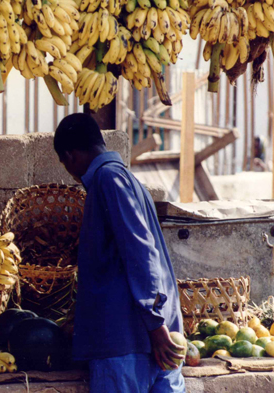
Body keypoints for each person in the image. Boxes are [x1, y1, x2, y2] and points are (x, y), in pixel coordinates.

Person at [53, 113, 185, 392]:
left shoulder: (107, 180)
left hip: (127, 344)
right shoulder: (129, 180)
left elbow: (140, 251)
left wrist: (154, 323)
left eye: (65, 164)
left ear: (70, 155)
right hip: (155, 343)